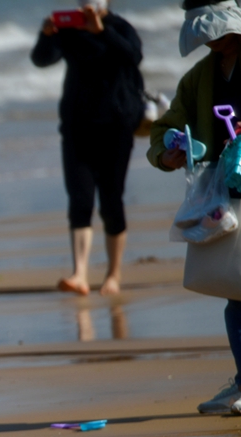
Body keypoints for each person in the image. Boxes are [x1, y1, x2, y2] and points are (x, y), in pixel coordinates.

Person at [147, 0, 241, 415]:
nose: (212, 41)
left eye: (217, 31)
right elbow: (165, 128)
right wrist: (167, 151)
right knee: (235, 291)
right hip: (223, 198)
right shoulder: (199, 78)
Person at [31, 0, 146, 296]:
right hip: (75, 127)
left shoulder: (119, 27)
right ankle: (79, 274)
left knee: (111, 200)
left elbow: (133, 56)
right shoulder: (69, 30)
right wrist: (47, 34)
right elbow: (41, 59)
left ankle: (113, 274)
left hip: (116, 127)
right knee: (80, 199)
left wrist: (101, 31)